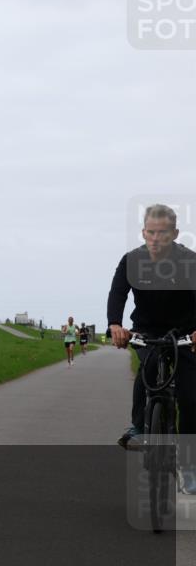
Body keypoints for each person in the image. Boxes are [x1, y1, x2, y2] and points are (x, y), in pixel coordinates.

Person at [109, 204, 196, 494]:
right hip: (147, 331)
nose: (155, 238)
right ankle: (138, 427)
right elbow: (118, 292)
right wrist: (114, 325)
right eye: (150, 232)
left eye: (162, 232)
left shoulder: (188, 261)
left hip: (184, 334)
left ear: (175, 233)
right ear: (143, 231)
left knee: (190, 396)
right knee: (147, 370)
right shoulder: (132, 261)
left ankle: (188, 465)